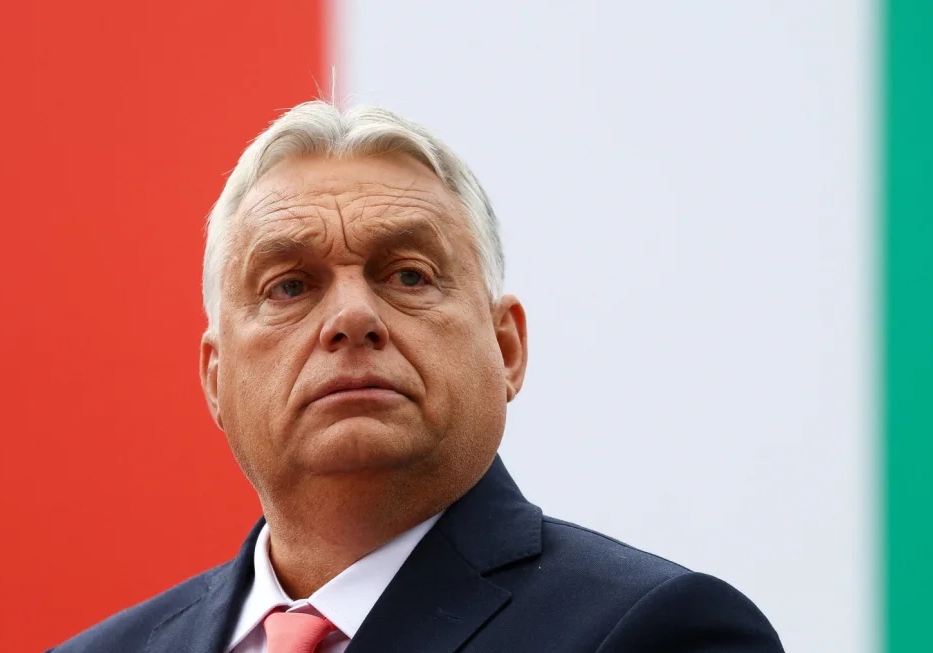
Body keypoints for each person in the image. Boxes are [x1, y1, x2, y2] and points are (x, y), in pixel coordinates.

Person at [48, 101, 784, 653]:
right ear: (215, 377)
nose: (352, 317)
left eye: (407, 273)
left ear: (507, 348)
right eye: (289, 286)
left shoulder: (657, 630)